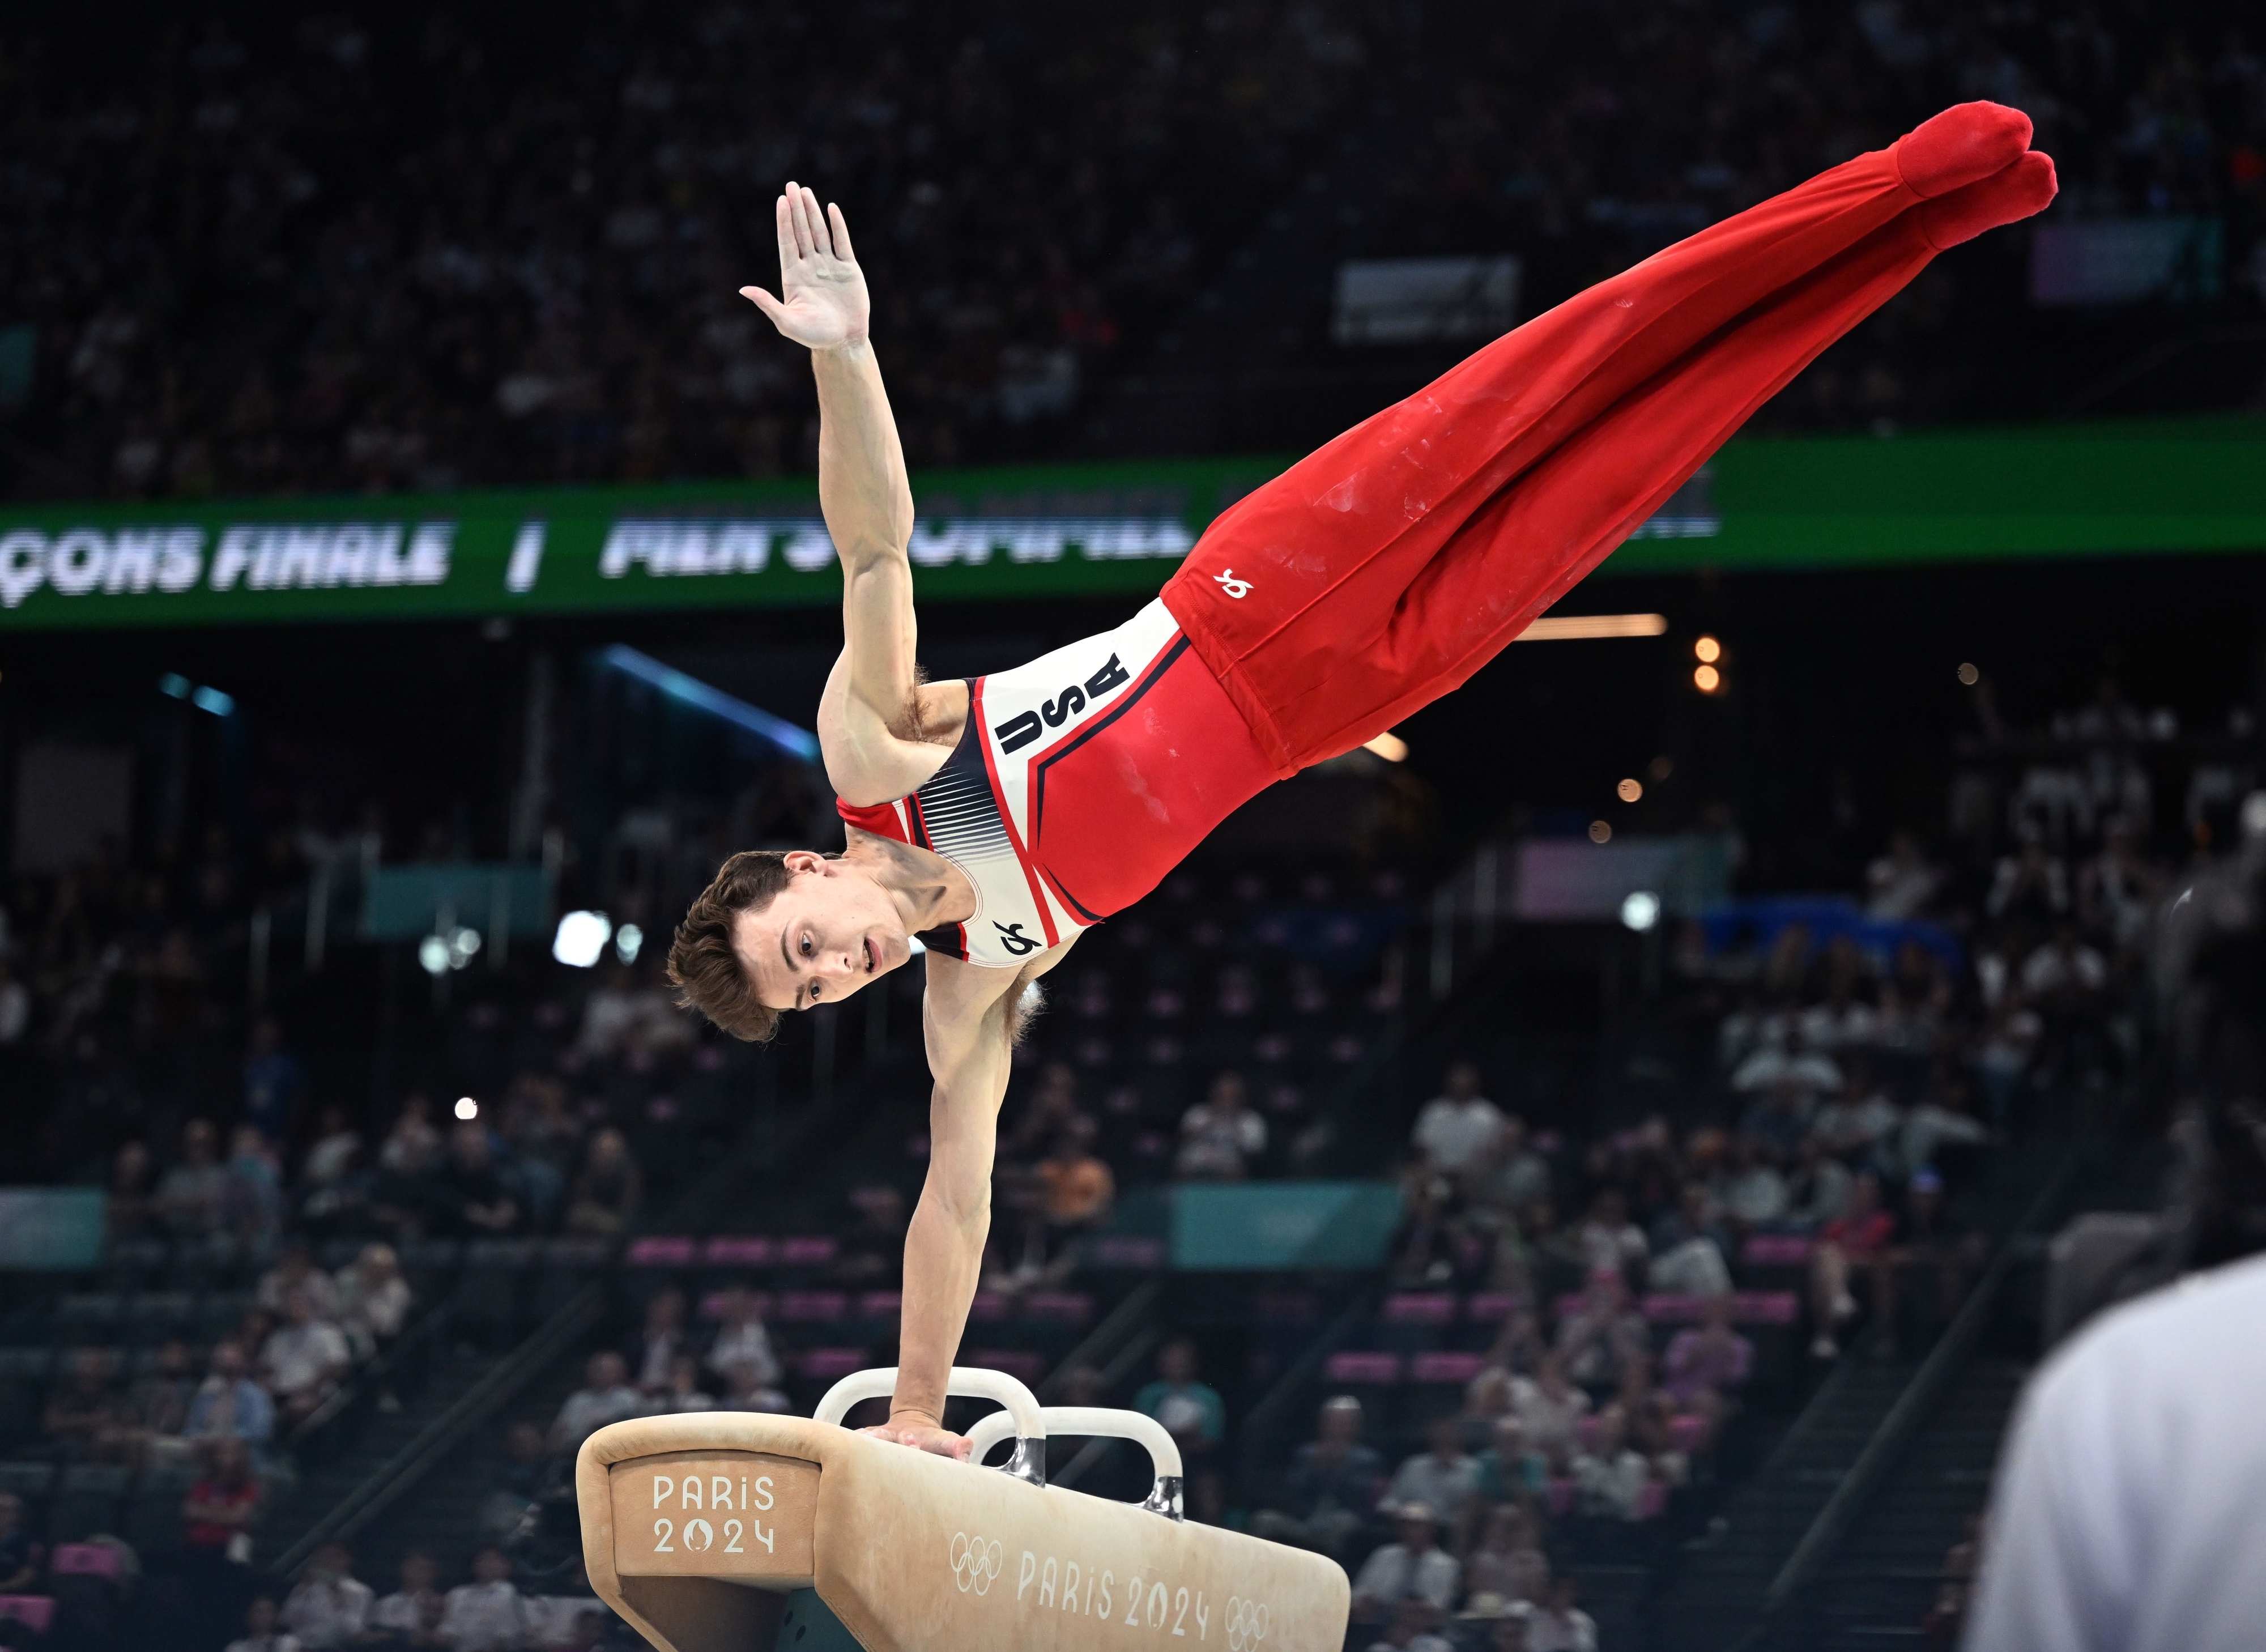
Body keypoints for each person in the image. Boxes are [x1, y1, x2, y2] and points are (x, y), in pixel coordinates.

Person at [665, 107, 2058, 1455]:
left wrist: (843, 362)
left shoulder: (883, 765)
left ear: (805, 869)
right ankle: (1924, 236)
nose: (836, 969)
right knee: (1634, 464)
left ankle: (1892, 176)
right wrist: (917, 1408)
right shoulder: (974, 971)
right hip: (1341, 705)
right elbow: (952, 1201)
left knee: (1570, 368)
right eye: (812, 991)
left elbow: (873, 550)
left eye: (803, 947)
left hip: (1258, 588)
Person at [1249, 1395, 1383, 1559]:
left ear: (1356, 1425)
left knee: (1342, 1524)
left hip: (1339, 1518)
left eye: (1344, 1422)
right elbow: (1292, 1490)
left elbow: (1358, 1496)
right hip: (1305, 1519)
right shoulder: (1307, 1454)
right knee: (1264, 1520)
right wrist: (1318, 1467)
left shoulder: (1367, 1458)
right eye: (1333, 1421)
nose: (1338, 1427)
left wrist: (1336, 1469)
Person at [1349, 1504, 1460, 1626]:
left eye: (1416, 1526)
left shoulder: (1447, 1565)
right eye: (1405, 1526)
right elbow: (1360, 1591)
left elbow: (1440, 1605)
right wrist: (1367, 1600)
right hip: (1376, 1617)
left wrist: (1409, 1609)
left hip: (1421, 1624)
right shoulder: (1384, 1554)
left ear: (1431, 1529)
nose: (1410, 1531)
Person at [259, 1289, 351, 1426]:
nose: (294, 1309)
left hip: (316, 1392)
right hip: (280, 1393)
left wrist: (309, 1388)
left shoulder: (327, 1332)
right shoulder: (278, 1337)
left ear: (309, 1306)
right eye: (290, 1305)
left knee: (299, 1408)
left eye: (299, 1304)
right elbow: (267, 1367)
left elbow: (336, 1364)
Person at [1381, 1414, 1481, 1526]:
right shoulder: (1413, 1466)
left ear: (1459, 1439)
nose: (1444, 1441)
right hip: (1416, 1525)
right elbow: (1391, 1502)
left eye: (1448, 1438)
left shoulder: (1474, 1469)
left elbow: (1477, 1507)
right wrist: (1400, 1512)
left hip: (1454, 1528)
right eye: (1439, 1438)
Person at [1412, 1062, 1505, 1181]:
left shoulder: (1488, 1114)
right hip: (1437, 1176)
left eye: (1466, 1077)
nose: (1461, 1083)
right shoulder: (1434, 1111)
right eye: (1457, 1078)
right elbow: (1421, 1146)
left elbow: (1496, 1152)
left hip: (1476, 1179)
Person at [185, 1341, 276, 1458]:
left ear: (243, 1362)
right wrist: (201, 1438)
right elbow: (190, 1429)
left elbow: (261, 1431)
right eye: (222, 1359)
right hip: (203, 1452)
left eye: (231, 1359)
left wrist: (223, 1440)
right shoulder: (207, 1394)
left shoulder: (256, 1395)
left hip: (243, 1456)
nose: (226, 1362)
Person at [1174, 1071, 1267, 1180]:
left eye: (1232, 1095)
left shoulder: (1251, 1120)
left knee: (1235, 1171)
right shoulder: (1197, 1113)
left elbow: (1254, 1153)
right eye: (1222, 1094)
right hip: (1196, 1165)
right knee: (1183, 1167)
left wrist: (1234, 1125)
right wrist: (1210, 1122)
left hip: (1230, 1167)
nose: (1226, 1099)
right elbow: (1180, 1142)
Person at [278, 1542, 371, 1650]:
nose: (327, 1562)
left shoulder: (359, 1591)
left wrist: (337, 1597)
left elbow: (355, 1630)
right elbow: (285, 1620)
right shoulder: (306, 1588)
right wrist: (301, 1592)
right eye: (323, 1557)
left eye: (333, 1557)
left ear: (346, 1560)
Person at [437, 1548, 531, 1652]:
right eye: (484, 1560)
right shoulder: (457, 1594)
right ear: (474, 1565)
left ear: (507, 1566)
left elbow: (507, 1635)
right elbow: (448, 1630)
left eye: (495, 1560)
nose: (489, 1565)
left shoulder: (508, 1592)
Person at [550, 1353, 641, 1452]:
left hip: (612, 1452)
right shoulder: (578, 1399)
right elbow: (558, 1430)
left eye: (608, 1371)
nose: (602, 1375)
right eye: (599, 1370)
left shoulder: (629, 1398)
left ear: (620, 1372)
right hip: (573, 1453)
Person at [366, 1551, 444, 1647]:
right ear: (403, 1568)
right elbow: (375, 1634)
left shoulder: (440, 1604)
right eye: (416, 1568)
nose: (420, 1573)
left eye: (427, 1570)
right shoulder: (385, 1603)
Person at [224, 1596, 302, 1652]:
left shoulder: (289, 1644)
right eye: (258, 1611)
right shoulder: (236, 1648)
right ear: (248, 1616)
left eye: (267, 1611)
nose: (263, 1615)